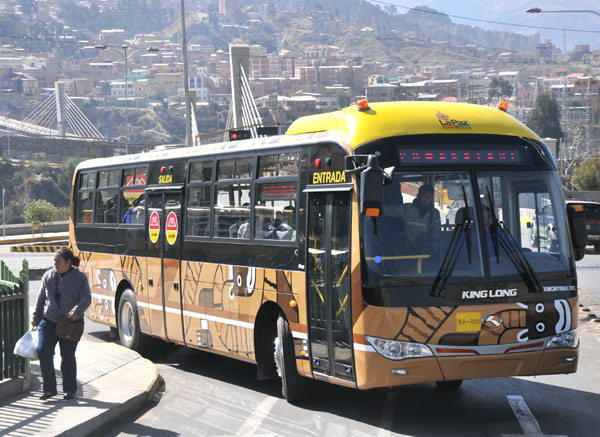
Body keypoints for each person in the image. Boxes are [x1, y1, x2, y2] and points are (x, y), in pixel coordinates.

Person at [32, 248, 91, 401]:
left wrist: (77, 310)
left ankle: (70, 390)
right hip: (49, 321)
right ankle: (50, 389)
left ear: (68, 262)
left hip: (71, 324)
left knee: (67, 356)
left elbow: (86, 298)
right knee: (43, 351)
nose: (55, 263)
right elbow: (41, 298)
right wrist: (36, 317)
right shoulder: (48, 275)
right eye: (54, 261)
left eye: (58, 261)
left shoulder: (80, 278)